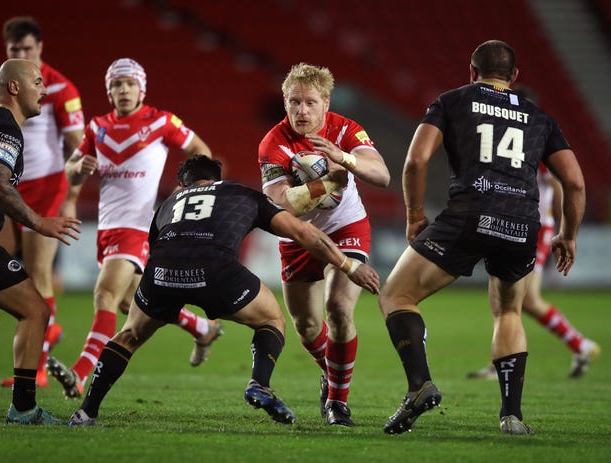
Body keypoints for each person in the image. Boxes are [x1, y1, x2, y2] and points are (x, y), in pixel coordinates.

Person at [67, 155, 380, 426]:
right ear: (216, 179)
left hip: (162, 273)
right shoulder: (238, 193)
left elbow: (156, 248)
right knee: (272, 318)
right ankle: (260, 383)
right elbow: (301, 231)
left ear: (182, 183)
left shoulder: (167, 205)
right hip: (215, 271)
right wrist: (348, 265)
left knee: (129, 336)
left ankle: (86, 412)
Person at [378, 40, 586, 435]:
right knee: (509, 311)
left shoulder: (452, 101)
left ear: (471, 72)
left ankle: (420, 385)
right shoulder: (540, 117)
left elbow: (416, 160)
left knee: (396, 295)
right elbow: (574, 182)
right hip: (523, 225)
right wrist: (567, 235)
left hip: (469, 216)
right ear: (515, 77)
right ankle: (512, 417)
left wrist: (415, 215)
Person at [46, 58, 222, 399]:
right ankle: (203, 328)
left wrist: (189, 187)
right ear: (109, 91)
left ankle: (80, 374)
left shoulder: (160, 121)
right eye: (116, 84)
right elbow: (71, 173)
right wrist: (78, 169)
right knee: (133, 303)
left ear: (141, 88)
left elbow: (201, 149)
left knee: (104, 295)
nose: (123, 90)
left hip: (139, 226)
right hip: (107, 229)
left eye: (129, 83)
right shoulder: (97, 128)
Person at [258, 63, 390, 426]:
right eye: (294, 102)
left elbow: (381, 174)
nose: (302, 111)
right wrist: (327, 184)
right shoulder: (273, 143)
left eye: (310, 103)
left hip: (346, 227)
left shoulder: (346, 129)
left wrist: (343, 157)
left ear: (325, 103)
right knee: (305, 326)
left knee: (338, 308)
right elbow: (280, 203)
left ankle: (337, 402)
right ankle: (332, 375)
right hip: (299, 237)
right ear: (285, 102)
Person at [0, 59, 81, 424]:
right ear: (14, 88)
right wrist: (39, 222)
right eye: (36, 82)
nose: (44, 89)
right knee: (36, 311)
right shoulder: (6, 126)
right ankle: (23, 408)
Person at [466, 86, 599, 380]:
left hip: (534, 227)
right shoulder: (517, 137)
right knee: (503, 297)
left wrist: (561, 227)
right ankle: (500, 360)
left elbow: (559, 185)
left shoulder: (533, 138)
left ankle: (580, 344)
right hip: (517, 223)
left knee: (524, 299)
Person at [0, 17, 85, 388]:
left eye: (27, 49)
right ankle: (48, 327)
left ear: (40, 48)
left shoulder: (60, 87)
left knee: (40, 273)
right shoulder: (2, 88)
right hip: (7, 187)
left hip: (46, 188)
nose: (22, 54)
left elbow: (78, 148)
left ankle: (38, 368)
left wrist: (72, 197)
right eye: (15, 50)